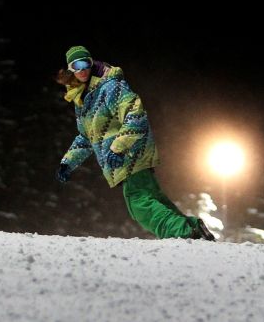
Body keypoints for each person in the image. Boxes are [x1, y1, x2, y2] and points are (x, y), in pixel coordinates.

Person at [55, 45, 215, 241]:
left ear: (91, 62)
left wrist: (118, 148)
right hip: (123, 156)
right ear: (70, 68)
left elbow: (135, 115)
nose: (82, 70)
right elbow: (86, 137)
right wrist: (68, 162)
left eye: (85, 63)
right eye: (76, 65)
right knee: (151, 198)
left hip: (131, 153)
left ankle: (184, 233)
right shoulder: (84, 99)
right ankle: (192, 229)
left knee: (138, 204)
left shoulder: (110, 86)